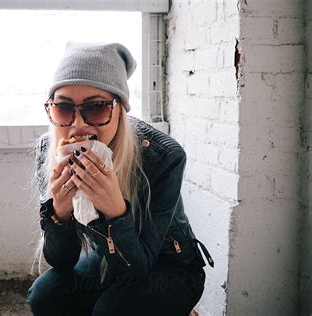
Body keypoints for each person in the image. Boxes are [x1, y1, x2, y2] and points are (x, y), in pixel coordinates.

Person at [26, 42, 214, 316]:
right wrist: (60, 212)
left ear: (119, 109)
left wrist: (115, 211)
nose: (78, 125)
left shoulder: (164, 157)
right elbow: (61, 261)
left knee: (111, 311)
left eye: (97, 108)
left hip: (173, 265)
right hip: (109, 257)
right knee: (45, 295)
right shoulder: (49, 149)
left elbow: (139, 269)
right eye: (63, 108)